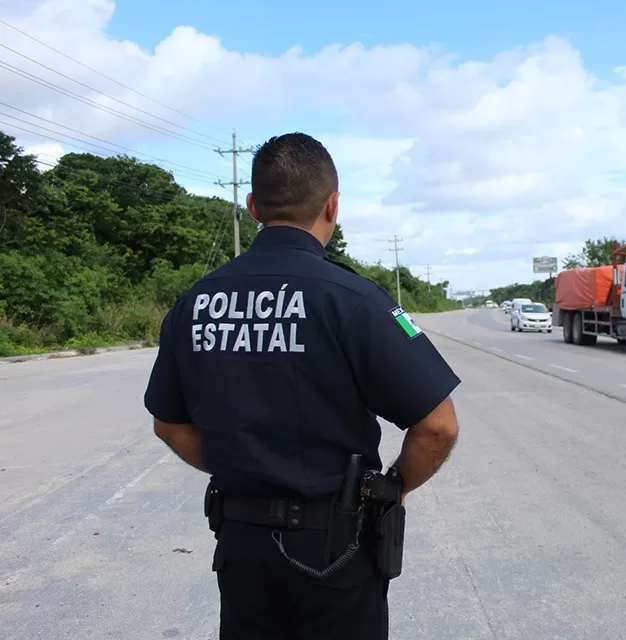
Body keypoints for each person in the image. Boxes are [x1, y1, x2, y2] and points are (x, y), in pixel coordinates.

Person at [142, 132, 461, 640]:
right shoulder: (355, 299)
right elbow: (438, 427)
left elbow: (169, 423)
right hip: (336, 548)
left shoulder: (195, 302)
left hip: (240, 547)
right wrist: (390, 490)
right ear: (332, 205)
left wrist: (240, 463)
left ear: (252, 207)